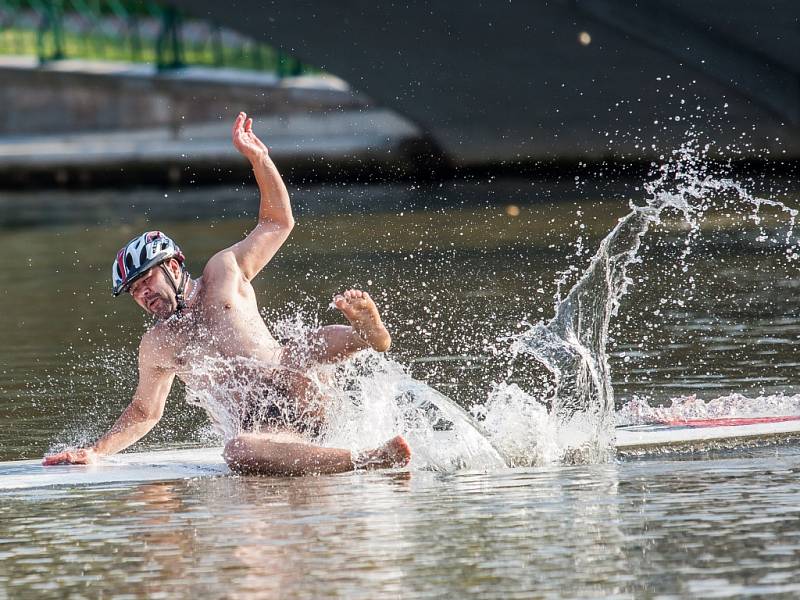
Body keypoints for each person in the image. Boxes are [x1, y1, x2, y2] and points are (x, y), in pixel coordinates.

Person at [43, 112, 411, 475]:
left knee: (300, 347)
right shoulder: (159, 344)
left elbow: (277, 222)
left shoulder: (223, 273)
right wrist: (94, 450)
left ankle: (369, 334)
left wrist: (259, 159)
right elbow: (145, 412)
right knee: (237, 450)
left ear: (172, 267)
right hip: (263, 429)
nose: (143, 295)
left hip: (301, 387)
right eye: (134, 291)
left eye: (145, 281)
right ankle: (368, 459)